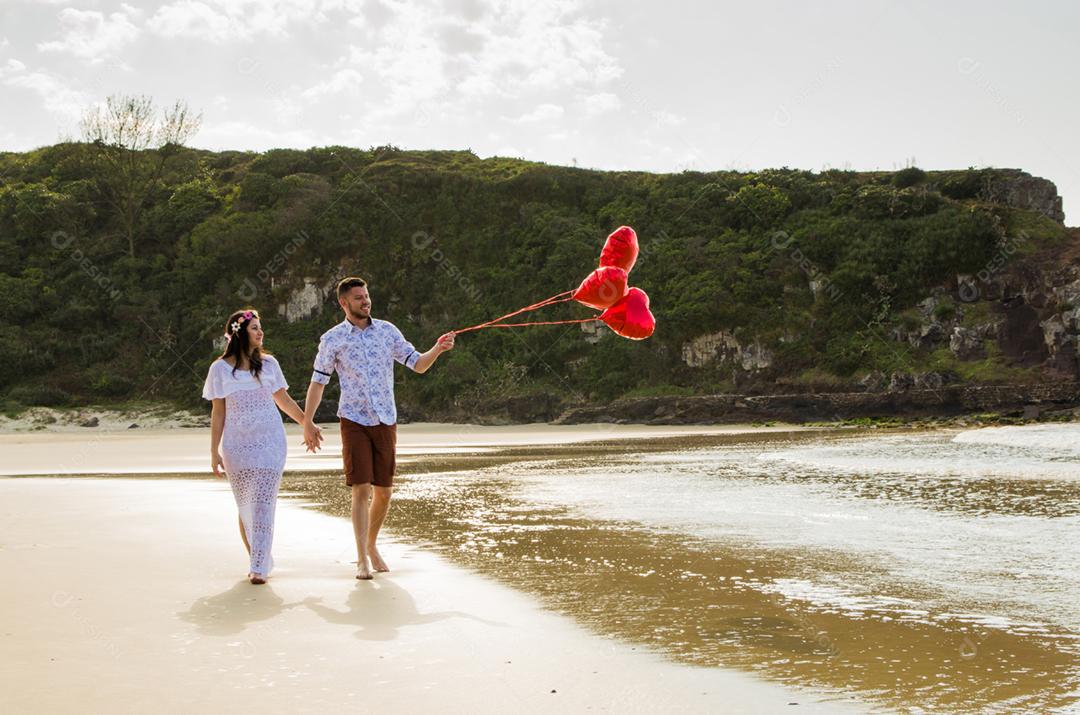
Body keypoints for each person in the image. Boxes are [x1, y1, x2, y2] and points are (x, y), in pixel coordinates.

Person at [301, 277, 454, 580]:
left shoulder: (387, 331)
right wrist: (307, 421)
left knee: (383, 492)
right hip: (354, 420)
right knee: (361, 489)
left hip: (386, 419)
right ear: (344, 303)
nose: (365, 301)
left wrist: (437, 348)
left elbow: (418, 365)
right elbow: (318, 382)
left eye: (367, 296)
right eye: (358, 298)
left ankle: (370, 544)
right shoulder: (332, 339)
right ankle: (361, 560)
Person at [203, 309, 320, 585]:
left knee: (263, 504)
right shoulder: (219, 369)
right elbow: (218, 413)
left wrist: (307, 423)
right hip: (236, 446)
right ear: (240, 333)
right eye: (255, 327)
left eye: (260, 327)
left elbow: (285, 400)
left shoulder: (269, 364)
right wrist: (213, 451)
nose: (260, 332)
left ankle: (258, 567)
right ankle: (258, 557)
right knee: (246, 506)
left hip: (270, 443)